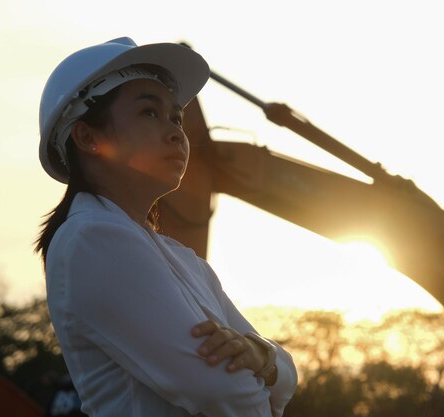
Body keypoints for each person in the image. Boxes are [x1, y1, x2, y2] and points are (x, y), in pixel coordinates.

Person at [34, 37, 298, 417]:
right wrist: (266, 375)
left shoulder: (182, 258)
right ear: (88, 137)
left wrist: (263, 356)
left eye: (177, 117)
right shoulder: (92, 237)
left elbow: (285, 371)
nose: (177, 131)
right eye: (149, 113)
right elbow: (219, 388)